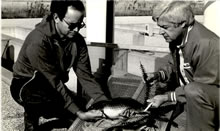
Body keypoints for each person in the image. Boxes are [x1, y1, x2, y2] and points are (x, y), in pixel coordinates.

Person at [10, 0, 108, 130]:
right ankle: (31, 119)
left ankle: (57, 110)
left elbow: (86, 77)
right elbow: (54, 81)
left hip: (52, 85)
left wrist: (105, 104)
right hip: (26, 85)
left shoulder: (77, 42)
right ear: (56, 17)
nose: (77, 30)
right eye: (72, 25)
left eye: (80, 24)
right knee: (44, 99)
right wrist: (79, 113)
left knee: (81, 105)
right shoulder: (38, 41)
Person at [146, 1, 220, 131]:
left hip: (209, 98)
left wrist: (166, 97)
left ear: (183, 23)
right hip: (197, 95)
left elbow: (201, 90)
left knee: (194, 91)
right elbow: (178, 64)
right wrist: (159, 75)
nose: (160, 32)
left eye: (164, 27)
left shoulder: (205, 44)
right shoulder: (178, 37)